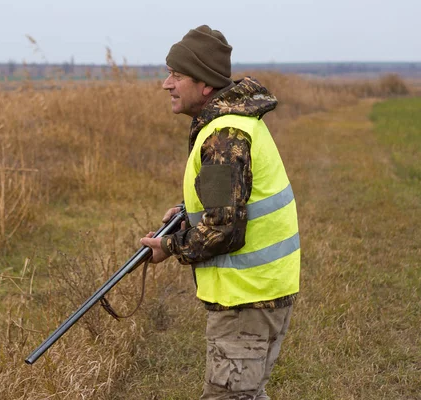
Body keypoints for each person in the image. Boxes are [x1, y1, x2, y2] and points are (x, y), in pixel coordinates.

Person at [140, 25, 300, 400]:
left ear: (206, 85)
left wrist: (171, 246)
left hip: (246, 301)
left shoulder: (223, 136)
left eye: (177, 76)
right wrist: (186, 213)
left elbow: (223, 229)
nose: (167, 84)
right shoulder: (234, 125)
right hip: (261, 294)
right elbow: (231, 201)